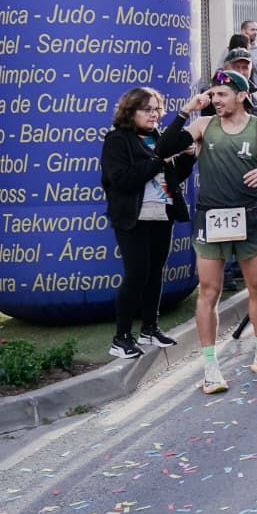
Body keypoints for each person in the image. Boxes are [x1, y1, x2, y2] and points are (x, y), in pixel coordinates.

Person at [158, 72, 257, 393]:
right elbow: (163, 148)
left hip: (249, 218)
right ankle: (210, 367)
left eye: (222, 94)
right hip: (211, 218)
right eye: (213, 95)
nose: (216, 100)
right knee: (209, 291)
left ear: (242, 95)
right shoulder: (204, 126)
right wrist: (186, 111)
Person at [100, 87, 196, 359]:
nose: (154, 114)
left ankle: (150, 328)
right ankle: (121, 337)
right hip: (132, 218)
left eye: (157, 109)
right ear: (130, 112)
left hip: (161, 214)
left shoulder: (158, 137)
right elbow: (123, 179)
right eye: (148, 109)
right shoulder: (117, 140)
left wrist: (188, 156)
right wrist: (158, 161)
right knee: (136, 275)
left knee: (155, 272)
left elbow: (174, 176)